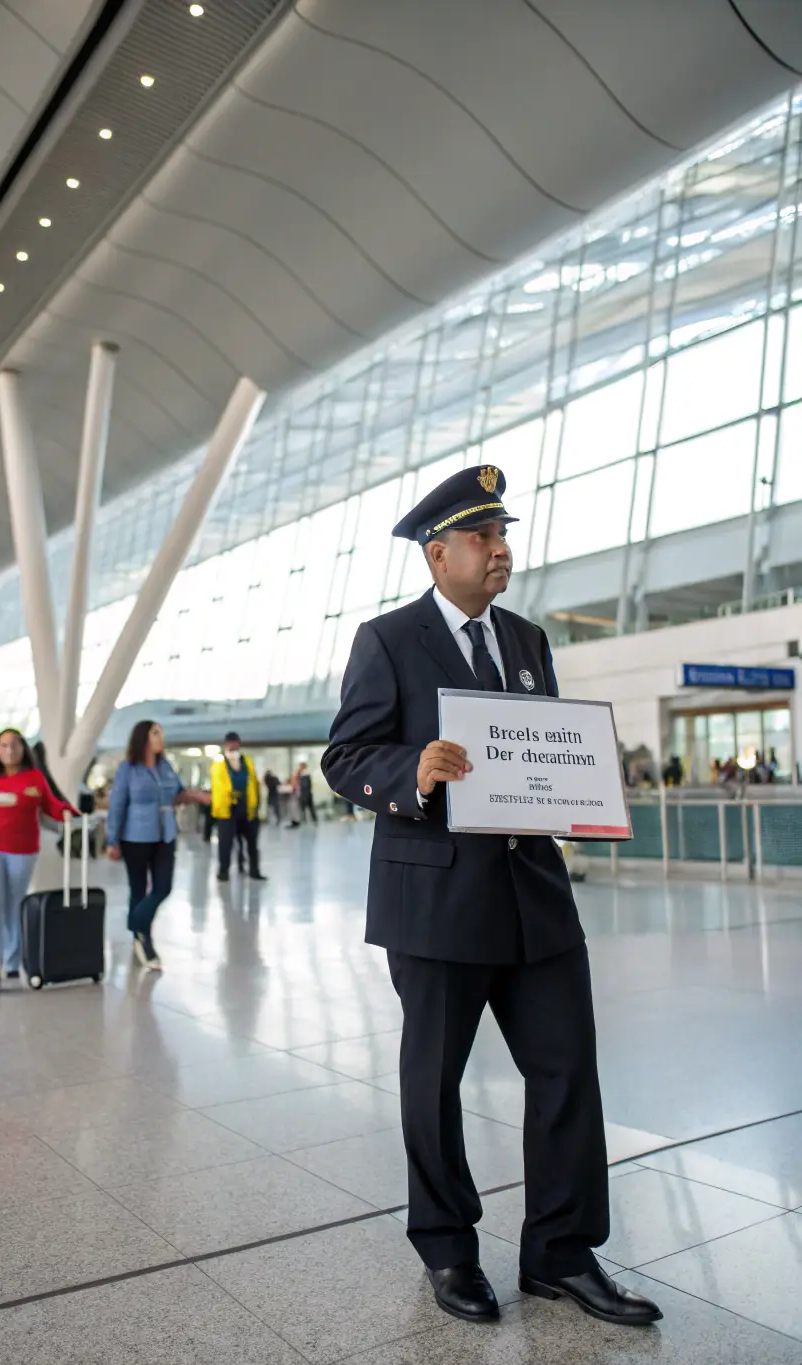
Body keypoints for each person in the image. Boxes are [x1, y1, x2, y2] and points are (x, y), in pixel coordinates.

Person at [322, 464, 660, 1330]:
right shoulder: (388, 640)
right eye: (483, 537)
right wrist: (414, 770)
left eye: (503, 534)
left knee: (566, 1071)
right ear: (439, 556)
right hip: (435, 901)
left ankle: (561, 1252)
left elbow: (540, 748)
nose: (501, 549)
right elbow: (346, 757)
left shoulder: (526, 638)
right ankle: (447, 1247)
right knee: (433, 1080)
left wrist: (581, 791)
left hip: (533, 895)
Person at [0, 729, 76, 988]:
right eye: (4, 745)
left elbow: (50, 804)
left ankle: (13, 962)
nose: (9, 750)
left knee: (15, 905)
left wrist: (67, 810)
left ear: (23, 749)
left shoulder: (35, 778)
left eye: (14, 745)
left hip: (23, 849)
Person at [106, 720, 208, 970]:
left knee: (163, 887)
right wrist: (112, 840)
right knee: (138, 889)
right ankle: (143, 939)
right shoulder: (128, 769)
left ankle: (135, 923)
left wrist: (196, 796)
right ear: (143, 738)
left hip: (166, 834)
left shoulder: (166, 767)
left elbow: (177, 794)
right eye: (155, 733)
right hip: (135, 835)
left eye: (161, 732)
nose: (160, 737)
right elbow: (117, 804)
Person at [210, 732, 265, 883]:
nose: (233, 746)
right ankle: (223, 871)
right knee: (225, 843)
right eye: (230, 743)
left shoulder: (246, 761)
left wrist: (256, 804)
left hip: (247, 808)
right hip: (227, 810)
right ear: (226, 744)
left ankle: (254, 871)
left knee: (252, 843)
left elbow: (254, 782)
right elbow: (219, 785)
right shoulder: (219, 762)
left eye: (235, 742)